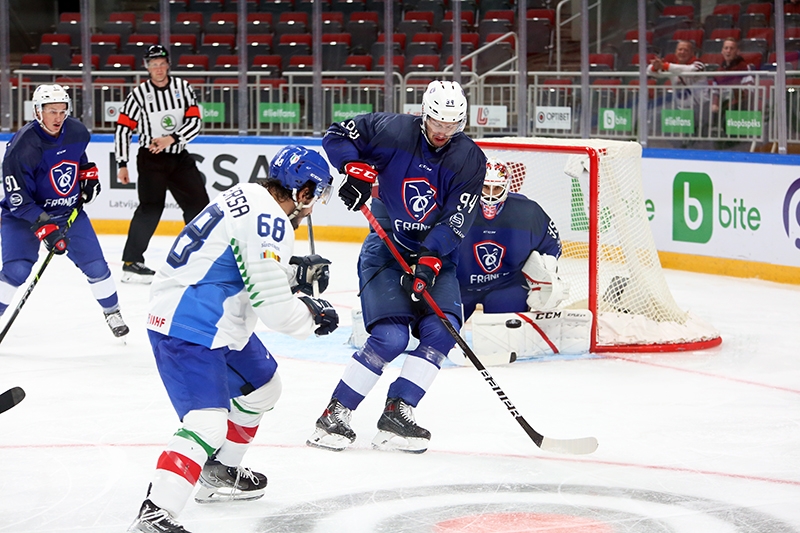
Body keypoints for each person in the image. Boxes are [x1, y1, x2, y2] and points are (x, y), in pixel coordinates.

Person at [127, 145, 339, 533]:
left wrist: (293, 274)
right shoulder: (271, 220)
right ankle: (156, 513)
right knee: (206, 423)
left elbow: (236, 263)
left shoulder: (248, 195)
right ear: (302, 191)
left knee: (262, 389)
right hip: (190, 323)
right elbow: (273, 308)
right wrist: (313, 314)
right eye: (315, 195)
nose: (312, 205)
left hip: (210, 314)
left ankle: (218, 471)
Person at [306, 80, 486, 454]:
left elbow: (457, 218)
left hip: (436, 256)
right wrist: (353, 169)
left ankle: (397, 412)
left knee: (443, 330)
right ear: (425, 112)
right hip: (387, 248)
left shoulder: (469, 159)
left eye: (451, 126)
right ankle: (334, 415)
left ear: (462, 124)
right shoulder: (393, 130)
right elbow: (337, 134)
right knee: (391, 338)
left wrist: (430, 261)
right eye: (437, 121)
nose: (441, 131)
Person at [0, 84, 129, 338]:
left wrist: (88, 175)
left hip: (68, 212)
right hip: (24, 217)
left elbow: (78, 159)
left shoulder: (77, 131)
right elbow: (18, 198)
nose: (58, 117)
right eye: (52, 111)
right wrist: (45, 227)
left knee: (96, 267)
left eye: (62, 111)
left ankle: (112, 311)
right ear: (38, 111)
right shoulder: (22, 147)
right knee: (17, 270)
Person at [114, 44, 210, 284]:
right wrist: (121, 163)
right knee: (150, 209)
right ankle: (131, 262)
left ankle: (203, 258)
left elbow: (195, 122)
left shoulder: (183, 88)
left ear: (168, 64)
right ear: (147, 67)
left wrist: (171, 139)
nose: (158, 68)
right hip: (151, 160)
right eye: (153, 64)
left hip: (179, 157)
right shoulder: (138, 94)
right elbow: (123, 128)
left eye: (161, 63)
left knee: (200, 205)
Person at [456, 157, 566, 322]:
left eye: (497, 188)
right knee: (435, 334)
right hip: (458, 285)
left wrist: (544, 276)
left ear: (507, 186)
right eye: (486, 187)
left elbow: (551, 245)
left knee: (505, 337)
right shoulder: (456, 206)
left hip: (506, 286)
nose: (491, 195)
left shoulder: (528, 212)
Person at [647, 40, 708, 136]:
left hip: (700, 108)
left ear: (692, 53)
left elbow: (690, 70)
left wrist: (665, 65)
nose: (682, 52)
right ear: (675, 52)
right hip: (680, 108)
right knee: (655, 117)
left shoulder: (699, 64)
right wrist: (656, 66)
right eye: (680, 49)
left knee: (696, 134)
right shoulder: (672, 66)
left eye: (686, 50)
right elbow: (649, 71)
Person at [710, 38, 755, 115]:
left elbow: (749, 90)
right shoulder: (718, 71)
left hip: (740, 108)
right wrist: (715, 104)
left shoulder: (744, 67)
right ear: (722, 51)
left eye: (731, 48)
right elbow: (715, 91)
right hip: (723, 107)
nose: (728, 51)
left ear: (737, 51)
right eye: (726, 48)